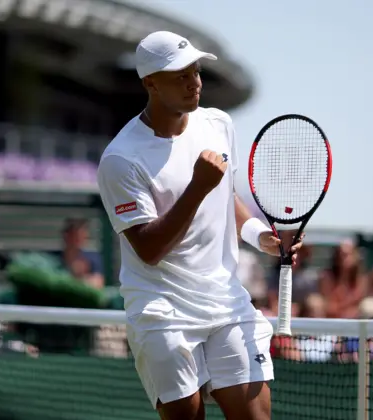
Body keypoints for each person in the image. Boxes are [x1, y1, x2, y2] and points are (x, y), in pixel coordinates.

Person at [96, 31, 302, 420]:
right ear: (150, 83)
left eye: (196, 70)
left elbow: (228, 198)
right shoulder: (120, 159)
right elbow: (149, 249)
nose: (194, 82)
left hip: (226, 302)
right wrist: (197, 187)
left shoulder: (218, 124)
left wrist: (262, 237)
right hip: (163, 311)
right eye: (180, 75)